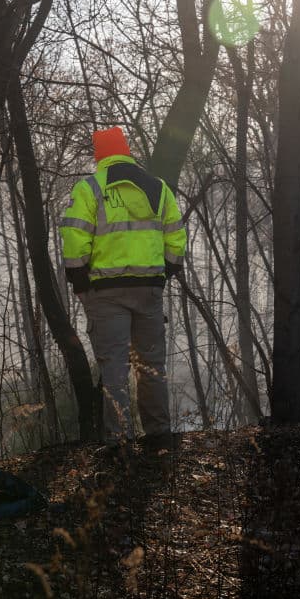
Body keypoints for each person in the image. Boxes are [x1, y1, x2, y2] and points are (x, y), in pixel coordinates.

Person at [59, 127, 187, 446]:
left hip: (106, 292)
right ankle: (158, 435)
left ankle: (119, 442)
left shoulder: (91, 187)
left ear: (99, 154)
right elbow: (176, 237)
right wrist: (164, 272)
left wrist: (79, 282)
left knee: (114, 368)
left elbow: (75, 237)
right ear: (126, 150)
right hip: (149, 289)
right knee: (151, 364)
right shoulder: (158, 188)